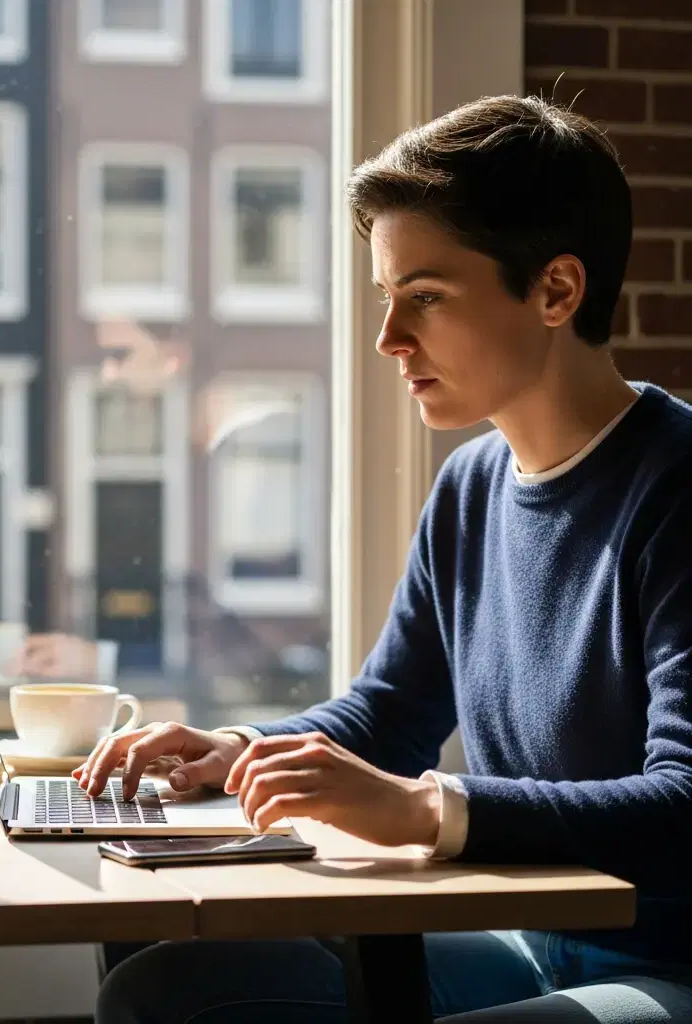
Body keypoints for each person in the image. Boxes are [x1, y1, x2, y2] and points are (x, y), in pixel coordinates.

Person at [74, 94, 692, 1023]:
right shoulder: (472, 487)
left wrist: (423, 810)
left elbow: (684, 806)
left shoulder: (678, 487)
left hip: (668, 968)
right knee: (162, 991)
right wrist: (236, 750)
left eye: (427, 298)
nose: (389, 339)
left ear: (557, 291)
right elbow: (391, 712)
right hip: (527, 938)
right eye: (385, 298)